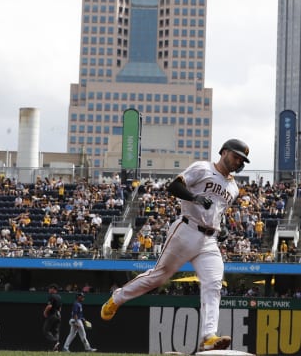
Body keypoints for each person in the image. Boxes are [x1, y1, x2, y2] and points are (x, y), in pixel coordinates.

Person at [101, 138, 250, 352]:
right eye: (236, 156)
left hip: (209, 240)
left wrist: (221, 226)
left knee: (214, 284)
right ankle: (117, 298)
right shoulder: (202, 168)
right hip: (186, 230)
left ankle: (208, 336)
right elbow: (174, 186)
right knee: (159, 277)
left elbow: (217, 209)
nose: (238, 161)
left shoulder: (233, 187)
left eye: (242, 159)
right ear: (224, 152)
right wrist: (195, 198)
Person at [43, 283, 62, 351]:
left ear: (53, 289)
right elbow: (60, 309)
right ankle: (55, 349)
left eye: (50, 288)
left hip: (52, 315)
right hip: (58, 315)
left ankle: (55, 342)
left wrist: (45, 312)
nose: (49, 290)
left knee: (46, 330)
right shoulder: (59, 297)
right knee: (56, 332)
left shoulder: (51, 296)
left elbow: (49, 306)